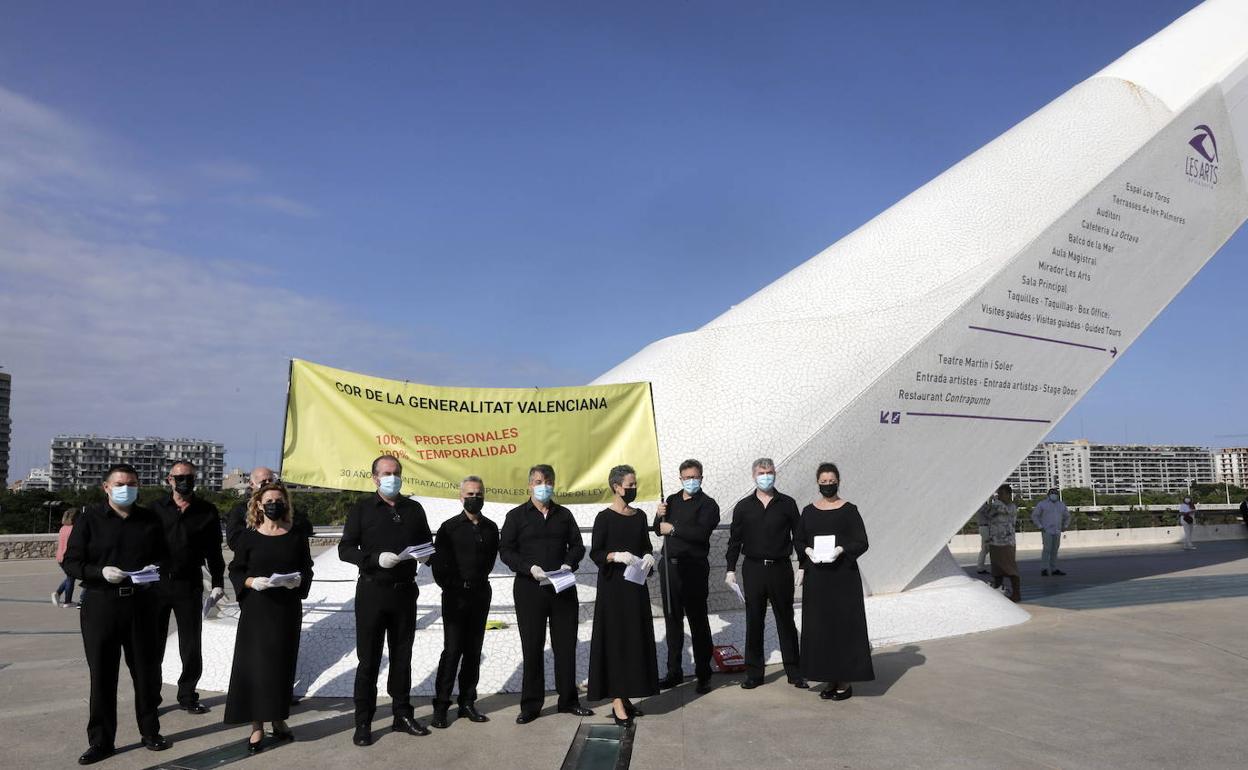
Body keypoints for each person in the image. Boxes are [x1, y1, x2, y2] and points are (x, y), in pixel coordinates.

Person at [61, 463, 171, 765]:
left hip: (141, 605)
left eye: (132, 483)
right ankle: (101, 741)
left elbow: (165, 558)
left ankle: (150, 732)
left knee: (146, 673)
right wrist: (98, 572)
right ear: (106, 487)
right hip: (102, 604)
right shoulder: (89, 519)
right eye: (121, 483)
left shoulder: (149, 519)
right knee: (103, 676)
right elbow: (71, 562)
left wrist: (154, 571)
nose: (127, 488)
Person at [338, 455, 434, 745]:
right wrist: (373, 558)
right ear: (375, 478)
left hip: (405, 592)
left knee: (403, 657)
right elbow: (345, 549)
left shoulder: (414, 508)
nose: (392, 477)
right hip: (372, 591)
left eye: (396, 473)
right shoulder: (362, 509)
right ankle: (363, 721)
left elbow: (425, 545)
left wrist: (429, 556)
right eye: (387, 473)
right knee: (368, 659)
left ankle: (402, 714)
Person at [499, 464, 593, 723]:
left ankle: (568, 700)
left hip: (562, 588)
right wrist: (528, 568)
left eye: (548, 481)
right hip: (530, 589)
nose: (544, 485)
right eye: (539, 481)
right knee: (532, 647)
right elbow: (506, 550)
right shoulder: (516, 516)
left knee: (565, 646)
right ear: (529, 485)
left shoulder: (564, 515)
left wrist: (568, 563)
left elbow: (577, 545)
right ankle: (531, 705)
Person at [224, 482, 312, 753]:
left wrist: (297, 581)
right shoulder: (249, 537)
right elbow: (236, 570)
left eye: (279, 500)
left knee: (282, 666)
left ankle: (279, 719)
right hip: (257, 611)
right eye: (269, 500)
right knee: (257, 668)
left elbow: (306, 568)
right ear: (259, 506)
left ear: (285, 504)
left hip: (286, 610)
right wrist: (251, 582)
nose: (275, 504)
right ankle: (257, 727)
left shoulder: (296, 534)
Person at [794, 462, 874, 701]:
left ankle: (845, 681)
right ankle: (829, 678)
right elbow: (798, 539)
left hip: (843, 578)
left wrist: (841, 549)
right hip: (817, 580)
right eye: (823, 482)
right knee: (821, 628)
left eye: (831, 481)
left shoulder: (849, 510)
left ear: (838, 481)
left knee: (844, 628)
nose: (827, 485)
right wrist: (806, 551)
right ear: (817, 483)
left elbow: (862, 542)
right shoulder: (808, 511)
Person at [724, 457, 806, 690]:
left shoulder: (787, 503)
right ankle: (754, 673)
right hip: (754, 569)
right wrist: (730, 569)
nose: (766, 476)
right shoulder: (743, 507)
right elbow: (734, 541)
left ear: (775, 474)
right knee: (754, 620)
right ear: (753, 476)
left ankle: (794, 671)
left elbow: (798, 536)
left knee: (785, 619)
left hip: (781, 568)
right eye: (761, 472)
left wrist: (803, 565)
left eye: (769, 472)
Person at [150, 460, 225, 714]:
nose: (184, 481)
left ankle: (188, 694)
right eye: (179, 477)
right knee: (153, 644)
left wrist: (217, 582)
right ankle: (150, 696)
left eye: (189, 477)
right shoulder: (154, 509)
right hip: (156, 584)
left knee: (191, 643)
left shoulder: (207, 511)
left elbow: (215, 551)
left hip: (189, 584)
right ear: (169, 479)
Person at [588, 465, 660, 726]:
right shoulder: (603, 518)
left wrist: (650, 557)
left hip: (635, 587)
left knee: (633, 641)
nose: (633, 488)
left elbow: (645, 546)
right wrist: (615, 555)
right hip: (613, 590)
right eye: (629, 485)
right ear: (616, 486)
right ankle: (617, 700)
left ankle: (627, 695)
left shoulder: (639, 516)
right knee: (616, 642)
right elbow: (596, 553)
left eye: (634, 484)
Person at [429, 476, 498, 728]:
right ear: (461, 496)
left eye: (478, 494)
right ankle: (441, 705)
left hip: (480, 594)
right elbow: (439, 566)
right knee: (453, 650)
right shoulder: (449, 528)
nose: (474, 498)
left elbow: (490, 559)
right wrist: (452, 587)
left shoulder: (491, 527)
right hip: (455, 596)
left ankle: (467, 702)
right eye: (469, 494)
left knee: (473, 650)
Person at [654, 458, 720, 693]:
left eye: (695, 477)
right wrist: (658, 515)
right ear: (680, 478)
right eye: (686, 477)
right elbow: (658, 529)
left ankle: (704, 674)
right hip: (669, 568)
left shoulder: (708, 505)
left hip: (693, 568)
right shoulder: (671, 500)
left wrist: (673, 529)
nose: (691, 481)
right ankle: (674, 672)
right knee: (672, 621)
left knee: (697, 621)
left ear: (701, 477)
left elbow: (701, 533)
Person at [226, 467, 312, 550]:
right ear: (252, 484)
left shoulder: (284, 506)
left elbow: (306, 528)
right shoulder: (240, 510)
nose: (268, 485)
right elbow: (234, 540)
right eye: (263, 482)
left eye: (270, 481)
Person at [977, 484, 1020, 602]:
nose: (999, 496)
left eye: (1001, 493)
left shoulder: (1007, 506)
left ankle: (1016, 593)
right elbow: (987, 512)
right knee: (997, 569)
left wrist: (988, 500)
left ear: (1008, 494)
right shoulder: (1005, 505)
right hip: (996, 541)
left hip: (1006, 542)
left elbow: (989, 512)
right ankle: (998, 591)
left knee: (1010, 568)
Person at [1031, 487, 1071, 576]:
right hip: (1046, 530)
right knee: (1047, 549)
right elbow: (1035, 515)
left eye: (1056, 493)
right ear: (1048, 495)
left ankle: (1054, 569)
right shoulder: (1042, 504)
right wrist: (1040, 526)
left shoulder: (1061, 505)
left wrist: (1065, 526)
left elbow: (1067, 516)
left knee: (1055, 550)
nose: (1054, 495)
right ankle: (1044, 569)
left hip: (1057, 530)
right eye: (1052, 493)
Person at [53, 508, 80, 608]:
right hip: (69, 557)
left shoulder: (63, 528)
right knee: (71, 578)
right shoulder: (74, 529)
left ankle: (58, 593)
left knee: (70, 577)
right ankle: (67, 601)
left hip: (60, 557)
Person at [975, 499, 992, 575]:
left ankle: (980, 567)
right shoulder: (982, 506)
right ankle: (980, 568)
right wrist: (991, 502)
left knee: (985, 549)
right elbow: (989, 513)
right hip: (985, 528)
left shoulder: (982, 506)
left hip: (984, 528)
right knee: (986, 549)